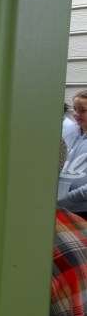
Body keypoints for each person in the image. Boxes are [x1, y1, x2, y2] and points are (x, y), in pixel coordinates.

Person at [59, 90, 87, 219]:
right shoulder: (67, 131)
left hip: (82, 209)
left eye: (83, 110)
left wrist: (66, 199)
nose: (76, 114)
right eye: (75, 109)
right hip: (59, 205)